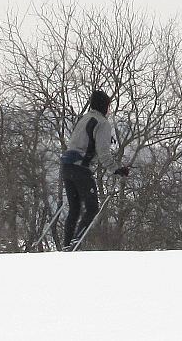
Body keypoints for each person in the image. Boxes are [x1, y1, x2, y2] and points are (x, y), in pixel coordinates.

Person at [59, 90, 130, 251]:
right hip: (81, 169)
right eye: (109, 106)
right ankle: (74, 244)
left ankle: (66, 245)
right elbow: (103, 153)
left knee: (74, 209)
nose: (109, 109)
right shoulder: (102, 123)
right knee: (92, 208)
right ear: (104, 105)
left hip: (67, 166)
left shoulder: (85, 119)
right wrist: (117, 170)